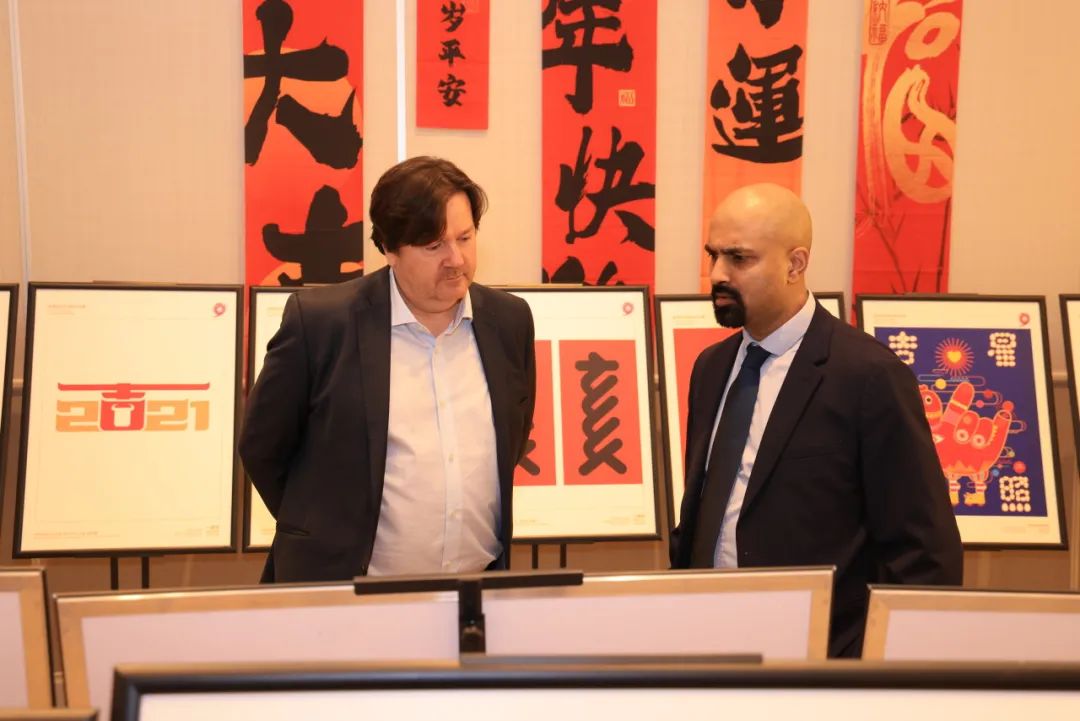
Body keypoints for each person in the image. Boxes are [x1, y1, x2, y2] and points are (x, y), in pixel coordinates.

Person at [670, 183, 962, 657]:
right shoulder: (711, 368)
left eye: (739, 258)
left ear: (795, 264)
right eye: (713, 255)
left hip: (822, 658)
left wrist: (887, 669)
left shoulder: (868, 375)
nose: (717, 274)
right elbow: (703, 512)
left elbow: (923, 550)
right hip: (709, 645)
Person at [240, 156, 536, 583]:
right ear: (390, 249)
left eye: (465, 237)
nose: (456, 259)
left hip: (475, 587)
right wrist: (322, 530)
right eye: (434, 246)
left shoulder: (509, 321)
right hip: (346, 591)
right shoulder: (323, 324)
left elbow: (515, 434)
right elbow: (262, 446)